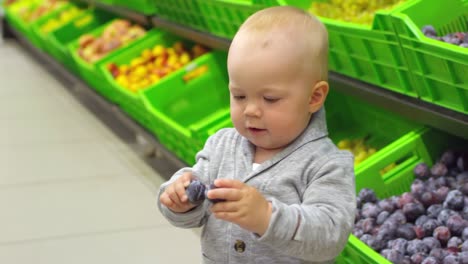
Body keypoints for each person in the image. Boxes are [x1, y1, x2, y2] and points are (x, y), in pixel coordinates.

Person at [157, 5, 355, 264]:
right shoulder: (221, 145)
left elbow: (329, 237)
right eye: (239, 96)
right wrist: (180, 199)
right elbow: (196, 208)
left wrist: (266, 217)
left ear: (314, 97)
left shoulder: (327, 164)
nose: (250, 110)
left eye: (270, 99)